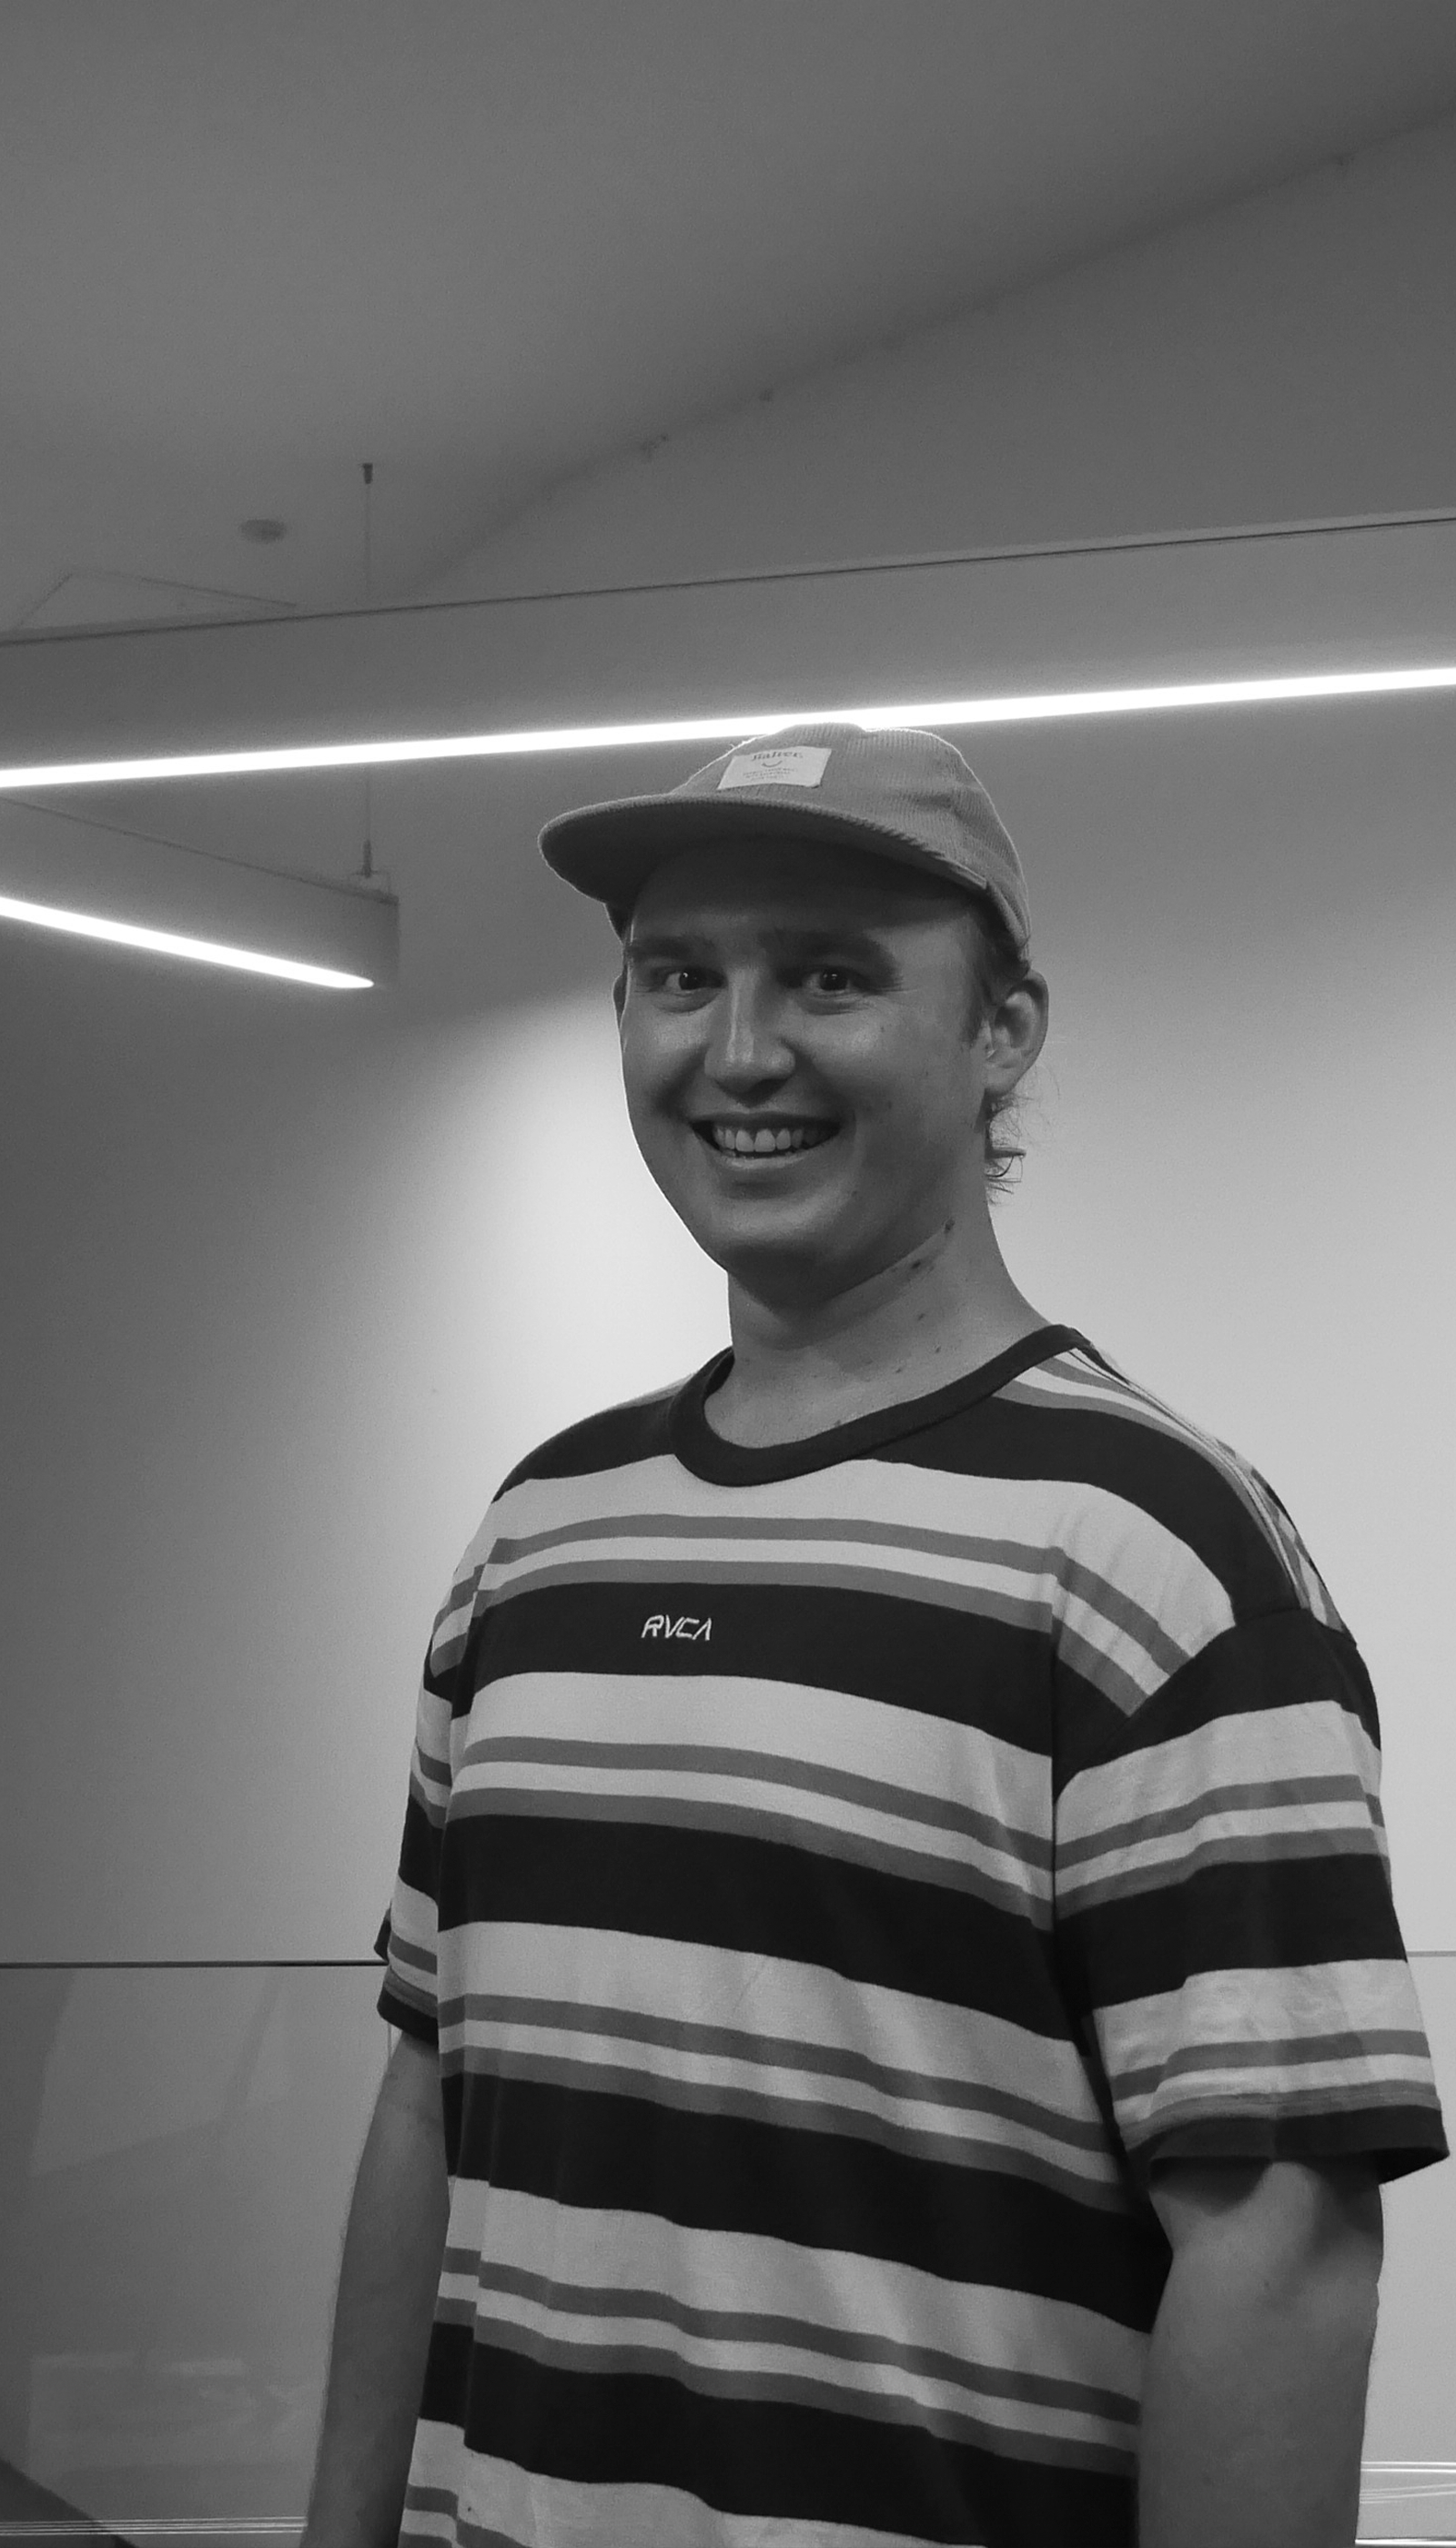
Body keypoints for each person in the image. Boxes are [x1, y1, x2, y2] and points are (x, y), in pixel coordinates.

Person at [304, 721, 1448, 2548]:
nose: (741, 1048)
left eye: (829, 975)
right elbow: (429, 2091)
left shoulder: (1150, 1554)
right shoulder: (538, 1533)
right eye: (681, 975)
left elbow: (1279, 2245)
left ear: (1004, 1031)